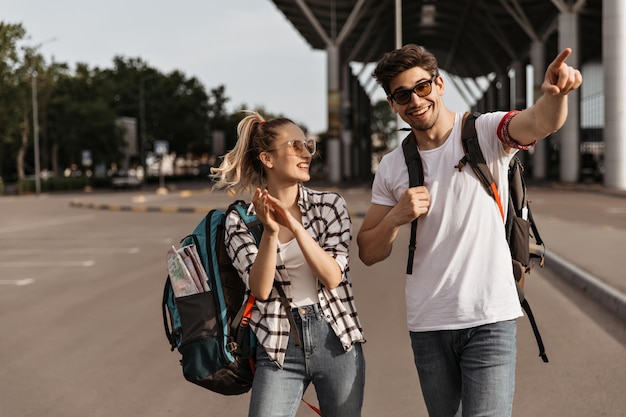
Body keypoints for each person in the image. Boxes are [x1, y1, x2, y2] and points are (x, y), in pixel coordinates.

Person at [357, 44, 582, 417]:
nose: (415, 100)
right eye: (402, 94)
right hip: (428, 325)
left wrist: (554, 98)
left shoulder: (485, 132)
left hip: (489, 317)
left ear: (440, 84)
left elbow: (540, 122)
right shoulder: (392, 166)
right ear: (392, 104)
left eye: (422, 87)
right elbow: (368, 250)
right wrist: (397, 216)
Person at [211, 111, 366, 417]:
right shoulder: (240, 219)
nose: (307, 152)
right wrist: (269, 231)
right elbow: (261, 288)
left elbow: (332, 275)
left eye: (308, 145)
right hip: (277, 342)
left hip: (336, 337)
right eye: (296, 146)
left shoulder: (330, 205)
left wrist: (294, 227)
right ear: (267, 159)